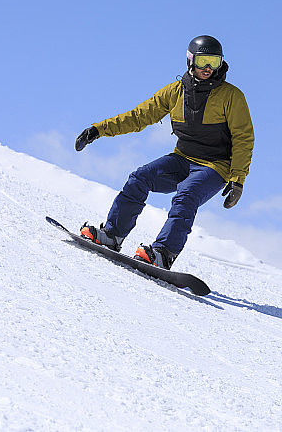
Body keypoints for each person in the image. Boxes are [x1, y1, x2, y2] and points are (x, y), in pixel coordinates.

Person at [74, 35, 254, 270]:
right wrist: (99, 130)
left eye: (214, 61)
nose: (208, 68)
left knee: (187, 194)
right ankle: (112, 235)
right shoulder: (175, 92)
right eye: (203, 62)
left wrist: (237, 180)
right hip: (182, 159)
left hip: (215, 166)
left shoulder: (232, 96)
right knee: (140, 177)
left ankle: (164, 253)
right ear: (190, 61)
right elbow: (139, 116)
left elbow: (243, 137)